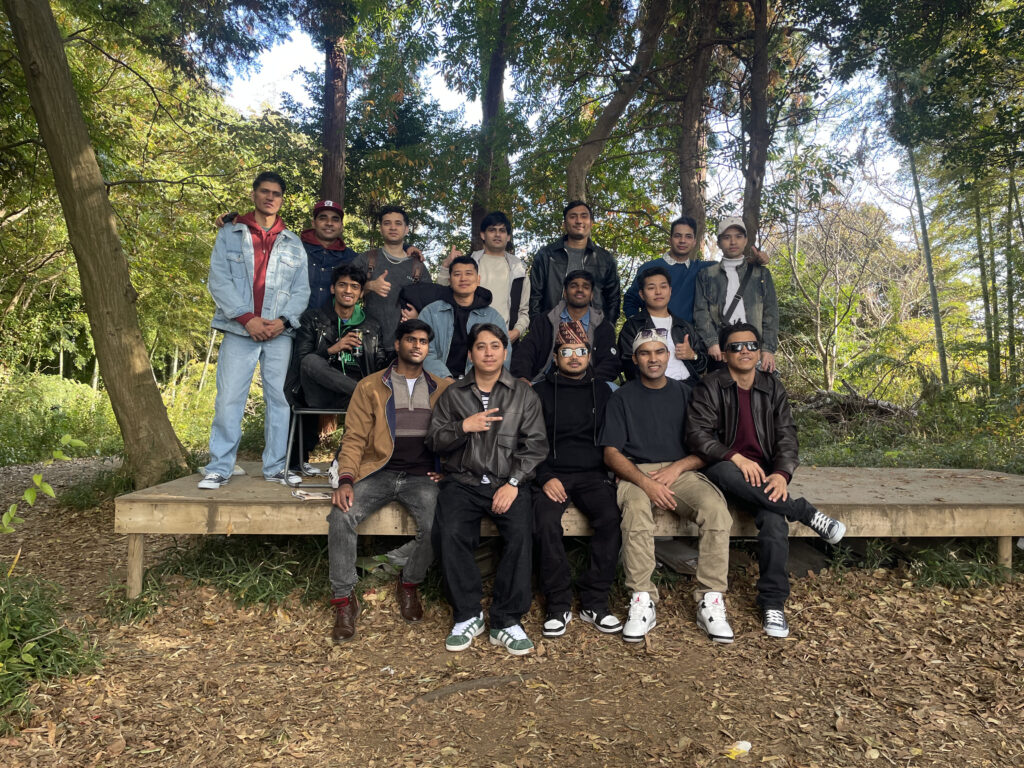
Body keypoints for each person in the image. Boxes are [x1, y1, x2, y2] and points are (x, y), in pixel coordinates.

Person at [686, 323, 847, 639]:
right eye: (735, 347)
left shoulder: (772, 387)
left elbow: (787, 436)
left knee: (774, 521)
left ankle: (773, 604)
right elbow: (697, 435)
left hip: (763, 477)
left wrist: (782, 473)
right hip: (723, 469)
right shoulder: (710, 386)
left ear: (759, 351)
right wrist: (735, 457)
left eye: (750, 345)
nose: (744, 351)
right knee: (725, 471)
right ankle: (803, 511)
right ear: (724, 354)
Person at [600, 329, 735, 644]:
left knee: (715, 510)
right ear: (635, 359)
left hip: (681, 470)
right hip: (636, 473)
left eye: (659, 352)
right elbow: (611, 453)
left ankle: (711, 598)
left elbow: (708, 446)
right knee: (635, 510)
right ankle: (642, 598)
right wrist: (646, 483)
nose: (653, 359)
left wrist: (677, 468)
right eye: (645, 353)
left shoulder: (688, 394)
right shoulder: (621, 397)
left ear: (668, 355)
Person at [425, 324, 547, 656]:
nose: (488, 352)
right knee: (449, 531)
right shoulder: (454, 394)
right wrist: (463, 426)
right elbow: (434, 440)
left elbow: (535, 446)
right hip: (463, 481)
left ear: (505, 352)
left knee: (520, 534)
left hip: (508, 482)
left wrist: (513, 483)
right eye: (481, 346)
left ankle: (506, 620)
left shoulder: (523, 394)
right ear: (470, 354)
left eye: (495, 346)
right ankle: (468, 614)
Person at [326, 319, 450, 642]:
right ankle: (344, 599)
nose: (417, 345)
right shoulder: (370, 387)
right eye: (411, 339)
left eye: (423, 341)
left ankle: (408, 582)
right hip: (377, 471)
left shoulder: (441, 389)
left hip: (422, 475)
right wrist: (346, 479)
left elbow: (454, 435)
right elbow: (354, 438)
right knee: (341, 514)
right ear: (397, 344)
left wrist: (446, 468)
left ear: (428, 348)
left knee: (438, 524)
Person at [199, 171, 310, 489]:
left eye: (276, 193)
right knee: (229, 399)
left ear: (282, 200)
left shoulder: (293, 243)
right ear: (254, 194)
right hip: (239, 330)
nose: (270, 197)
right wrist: (247, 318)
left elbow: (301, 290)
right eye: (264, 191)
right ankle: (219, 467)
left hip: (278, 333)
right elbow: (218, 280)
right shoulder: (231, 233)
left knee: (279, 401)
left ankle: (275, 467)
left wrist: (283, 321)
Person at [532, 322, 623, 637]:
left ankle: (594, 601)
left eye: (581, 351)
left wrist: (613, 473)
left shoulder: (603, 391)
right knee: (545, 522)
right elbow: (529, 442)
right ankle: (557, 603)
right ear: (556, 357)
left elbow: (613, 439)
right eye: (566, 351)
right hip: (551, 474)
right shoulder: (539, 392)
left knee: (610, 518)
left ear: (589, 355)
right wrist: (544, 476)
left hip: (592, 474)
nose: (574, 357)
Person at [285, 264, 385, 474]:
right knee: (311, 361)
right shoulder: (313, 318)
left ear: (361, 293)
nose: (348, 290)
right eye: (342, 285)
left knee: (370, 396)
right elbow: (303, 361)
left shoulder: (371, 325)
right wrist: (334, 348)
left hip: (351, 397)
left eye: (354, 287)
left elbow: (379, 363)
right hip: (319, 393)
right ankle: (365, 393)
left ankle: (340, 463)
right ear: (333, 288)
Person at [694, 216, 779, 373]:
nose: (733, 242)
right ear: (719, 243)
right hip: (722, 349)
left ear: (745, 240)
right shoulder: (707, 275)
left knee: (758, 388)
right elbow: (701, 312)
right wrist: (711, 342)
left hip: (753, 347)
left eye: (738, 236)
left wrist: (768, 349)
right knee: (720, 388)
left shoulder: (761, 274)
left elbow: (770, 313)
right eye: (727, 237)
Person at [511, 270, 620, 383]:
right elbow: (526, 351)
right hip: (545, 382)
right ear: (565, 293)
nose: (580, 290)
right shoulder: (546, 320)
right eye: (574, 286)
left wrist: (591, 382)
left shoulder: (602, 326)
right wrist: (522, 377)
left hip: (591, 384)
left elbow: (610, 362)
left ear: (591, 295)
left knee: (612, 389)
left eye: (586, 287)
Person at [438, 211, 530, 344]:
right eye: (492, 230)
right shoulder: (470, 264)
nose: (497, 234)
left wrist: (517, 331)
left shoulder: (519, 270)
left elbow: (524, 310)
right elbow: (444, 296)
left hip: (504, 340)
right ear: (483, 235)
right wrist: (446, 266)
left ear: (508, 237)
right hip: (469, 339)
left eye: (502, 230)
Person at [354, 206, 432, 353]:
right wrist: (369, 286)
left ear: (406, 229)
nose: (393, 227)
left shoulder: (418, 267)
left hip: (406, 346)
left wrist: (418, 316)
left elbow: (431, 307)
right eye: (387, 223)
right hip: (369, 343)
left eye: (398, 223)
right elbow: (342, 292)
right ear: (381, 228)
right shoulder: (367, 259)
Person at [418, 256, 510, 380]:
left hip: (479, 383)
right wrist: (445, 379)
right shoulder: (431, 312)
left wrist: (477, 384)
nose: (463, 279)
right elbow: (423, 350)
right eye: (457, 274)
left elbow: (503, 354)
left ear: (478, 280)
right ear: (450, 280)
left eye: (468, 273)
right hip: (437, 381)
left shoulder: (493, 317)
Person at [529, 201, 621, 322]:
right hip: (552, 326)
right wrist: (538, 327)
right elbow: (534, 296)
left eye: (584, 216)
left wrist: (606, 328)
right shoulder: (546, 256)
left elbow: (613, 299)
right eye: (573, 217)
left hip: (593, 328)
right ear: (564, 224)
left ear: (591, 223)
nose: (579, 221)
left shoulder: (605, 259)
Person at [618, 266, 707, 382]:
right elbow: (629, 366)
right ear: (642, 294)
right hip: (653, 388)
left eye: (663, 286)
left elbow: (702, 364)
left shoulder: (684, 327)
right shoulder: (633, 327)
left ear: (670, 291)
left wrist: (692, 355)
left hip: (689, 386)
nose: (658, 292)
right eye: (651, 288)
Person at [623, 216, 708, 322]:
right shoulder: (649, 268)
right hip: (653, 330)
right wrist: (637, 326)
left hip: (686, 331)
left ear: (694, 242)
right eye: (678, 236)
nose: (682, 240)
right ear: (670, 239)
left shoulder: (700, 269)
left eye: (688, 236)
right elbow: (631, 300)